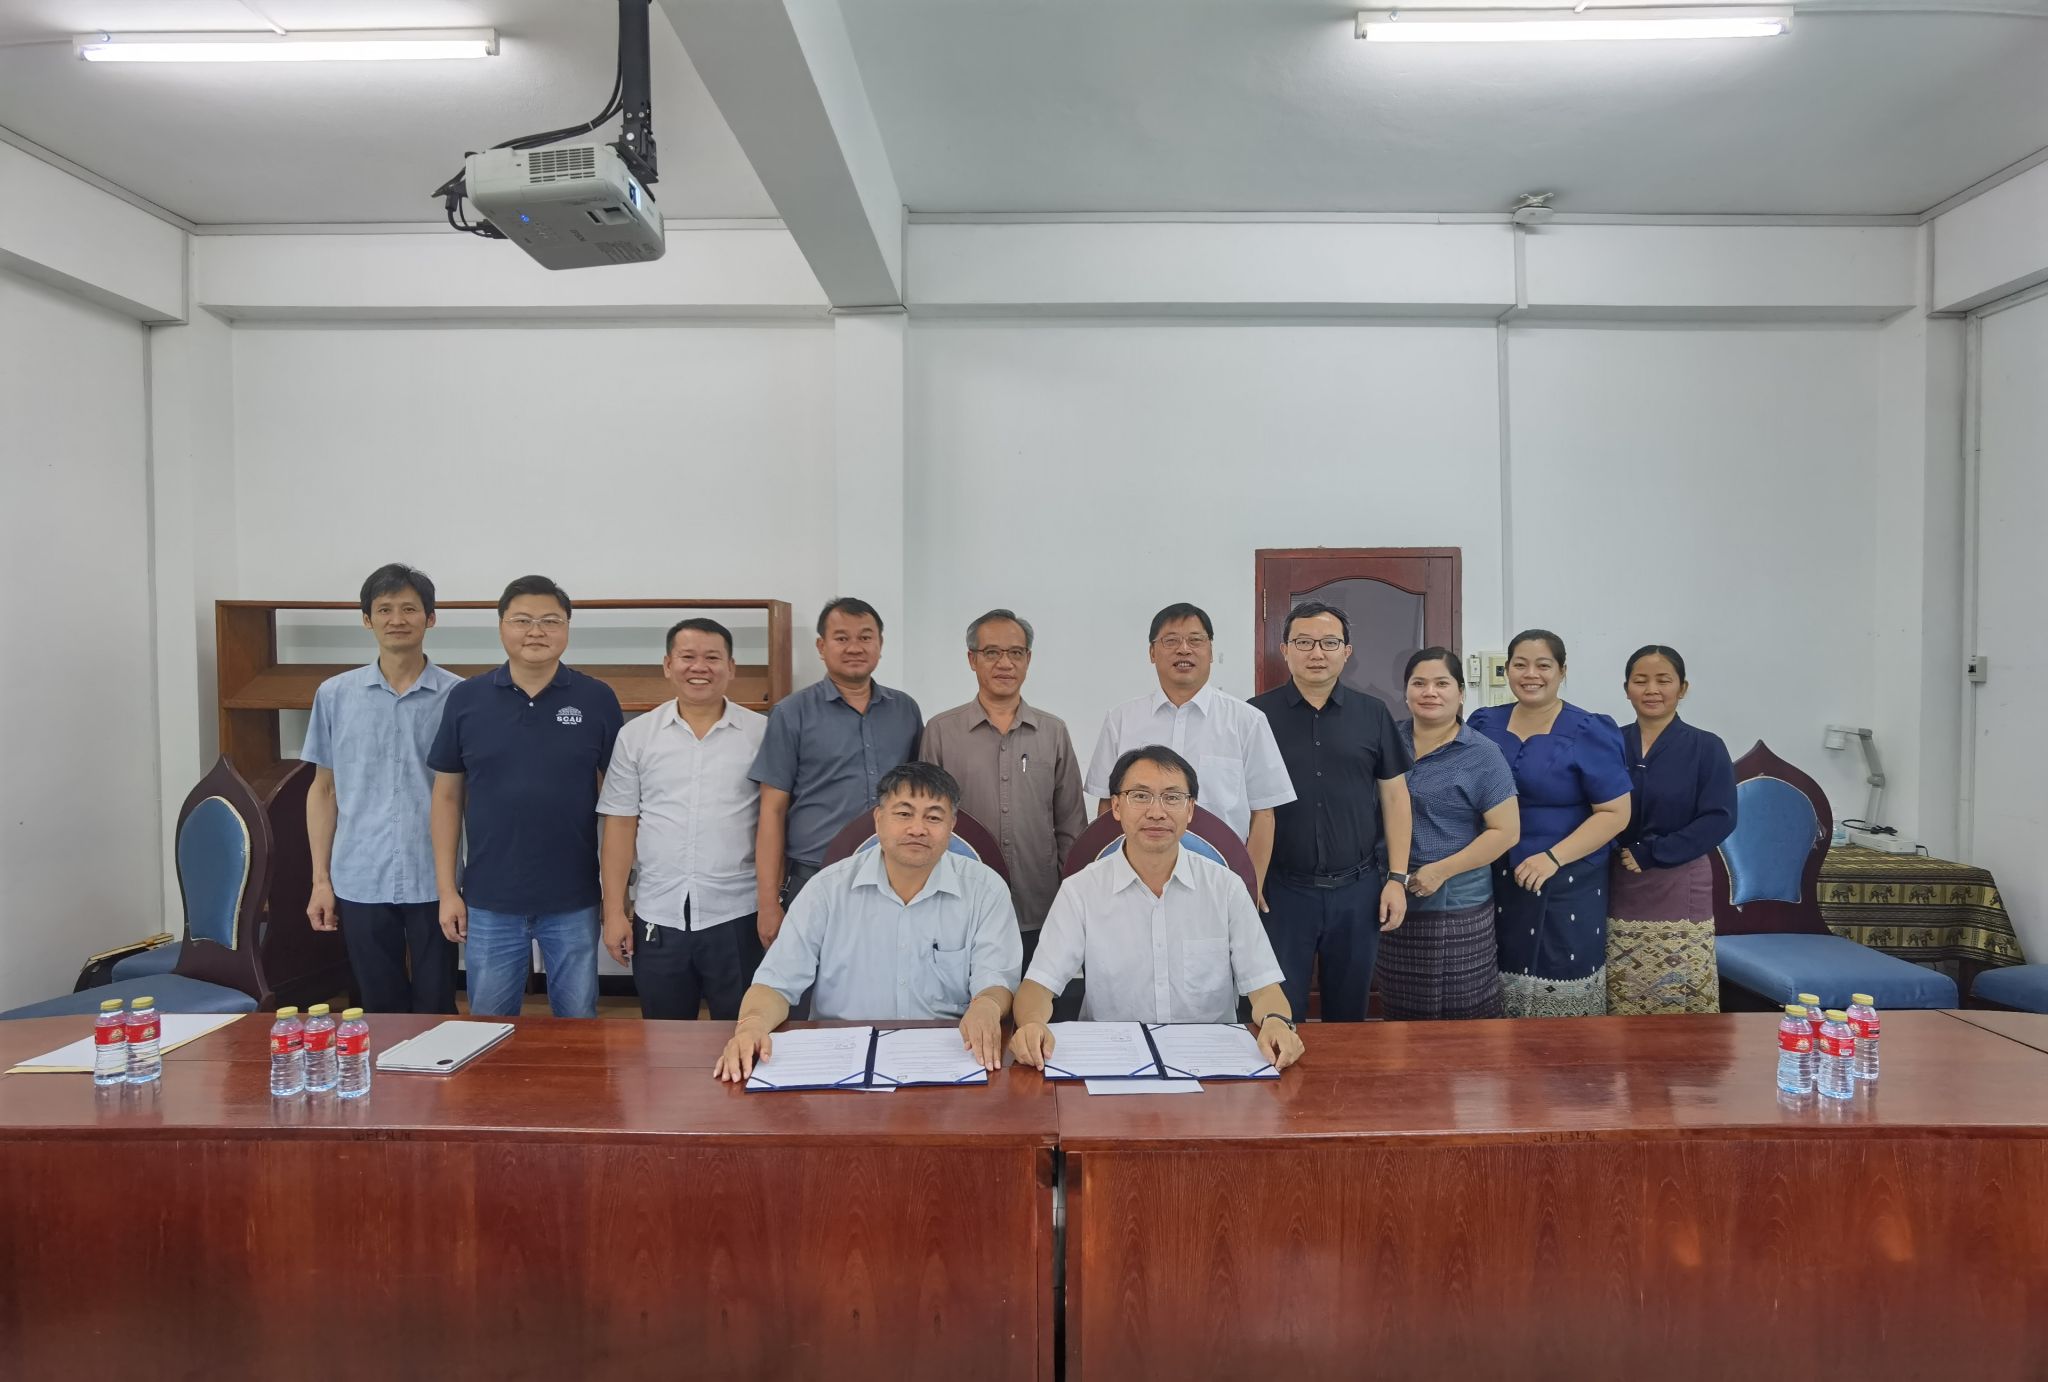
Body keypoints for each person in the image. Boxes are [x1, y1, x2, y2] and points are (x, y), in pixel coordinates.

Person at [713, 762, 1021, 1081]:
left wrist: (986, 1005)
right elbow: (776, 983)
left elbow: (996, 979)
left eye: (933, 817)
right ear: (878, 819)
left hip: (947, 1055)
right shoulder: (826, 890)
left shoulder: (985, 890)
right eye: (904, 814)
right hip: (841, 1057)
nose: (918, 829)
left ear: (952, 825)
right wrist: (751, 1026)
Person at [1011, 746, 1305, 1073]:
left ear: (1190, 809)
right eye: (1140, 796)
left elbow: (1265, 988)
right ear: (1116, 807)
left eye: (1172, 797)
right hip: (1111, 1064)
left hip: (1210, 1065)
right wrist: (1031, 1025)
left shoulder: (1225, 888)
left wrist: (1277, 1022)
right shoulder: (1081, 890)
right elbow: (1037, 988)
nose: (1156, 812)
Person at [429, 575, 623, 1018]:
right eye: (522, 620)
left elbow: (620, 806)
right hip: (489, 899)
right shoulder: (466, 698)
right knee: (488, 1026)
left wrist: (616, 901)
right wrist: (447, 891)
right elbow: (446, 799)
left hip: (574, 898)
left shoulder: (596, 699)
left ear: (567, 627)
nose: (536, 631)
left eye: (550, 620)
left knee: (577, 1026)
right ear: (501, 626)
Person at [302, 563, 463, 1014]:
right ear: (366, 619)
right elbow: (324, 790)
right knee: (377, 1007)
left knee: (437, 1005)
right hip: (360, 874)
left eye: (409, 609)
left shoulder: (459, 696)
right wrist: (320, 881)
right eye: (385, 609)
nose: (397, 619)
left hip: (435, 876)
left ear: (430, 618)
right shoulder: (334, 694)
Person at [1248, 601, 1414, 1022]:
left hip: (1358, 891)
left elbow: (1396, 798)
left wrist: (1397, 879)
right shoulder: (1254, 716)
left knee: (1350, 1017)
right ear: (1285, 650)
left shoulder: (1373, 714)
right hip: (1281, 893)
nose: (1317, 653)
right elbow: (1242, 804)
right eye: (1304, 642)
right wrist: (1250, 880)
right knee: (1278, 1015)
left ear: (1346, 651)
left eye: (1329, 643)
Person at [598, 618, 767, 1020]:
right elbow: (620, 825)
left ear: (731, 667)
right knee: (664, 1039)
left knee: (741, 1032)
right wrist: (614, 911)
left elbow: (774, 821)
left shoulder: (762, 733)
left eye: (713, 658)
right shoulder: (637, 735)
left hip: (738, 912)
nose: (699, 667)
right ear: (667, 665)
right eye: (688, 657)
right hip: (659, 911)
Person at [1467, 630, 1631, 1018]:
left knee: (1557, 985)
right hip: (1493, 877)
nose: (1531, 674)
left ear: (1562, 671)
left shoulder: (1589, 729)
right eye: (1520, 665)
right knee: (1490, 983)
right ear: (1507, 669)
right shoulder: (1484, 723)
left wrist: (1552, 858)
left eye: (1543, 665)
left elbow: (1615, 813)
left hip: (1566, 879)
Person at [750, 597, 923, 964]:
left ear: (880, 644)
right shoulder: (791, 713)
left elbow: (919, 797)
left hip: (892, 875)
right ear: (821, 646)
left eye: (865, 637)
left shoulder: (905, 710)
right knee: (811, 982)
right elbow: (772, 810)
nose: (854, 647)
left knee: (887, 975)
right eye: (842, 638)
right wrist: (768, 903)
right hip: (814, 875)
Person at [919, 608, 1086, 982]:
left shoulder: (1053, 732)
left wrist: (1070, 901)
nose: (1005, 663)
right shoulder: (941, 731)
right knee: (970, 1007)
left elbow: (1071, 824)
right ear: (972, 659)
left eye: (1015, 653)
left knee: (1036, 1005)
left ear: (1028, 659)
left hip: (1039, 907)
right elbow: (926, 822)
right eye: (992, 652)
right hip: (961, 907)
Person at [1084, 602, 1295, 889]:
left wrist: (1250, 887)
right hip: (1137, 878)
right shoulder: (1121, 719)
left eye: (1196, 640)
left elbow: (1264, 813)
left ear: (1210, 651)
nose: (1184, 650)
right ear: (1152, 652)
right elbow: (1108, 806)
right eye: (1171, 641)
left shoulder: (1247, 721)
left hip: (1222, 879)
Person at [1380, 648, 1520, 1021]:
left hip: (1455, 900)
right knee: (1401, 1011)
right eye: (1419, 683)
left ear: (1460, 693)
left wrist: (1440, 871)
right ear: (1405, 692)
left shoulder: (1482, 753)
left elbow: (1506, 832)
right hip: (1394, 895)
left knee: (1460, 1015)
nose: (1430, 692)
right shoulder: (1387, 741)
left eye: (1442, 683)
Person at [1608, 645, 1737, 1015]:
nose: (1652, 690)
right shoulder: (1610, 743)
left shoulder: (1706, 746)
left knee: (1678, 989)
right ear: (1626, 688)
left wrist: (1654, 852)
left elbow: (1720, 817)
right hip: (1617, 878)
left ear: (1683, 688)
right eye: (1641, 681)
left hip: (1679, 878)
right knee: (1622, 988)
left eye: (1663, 680)